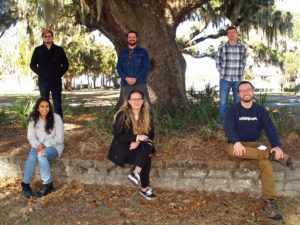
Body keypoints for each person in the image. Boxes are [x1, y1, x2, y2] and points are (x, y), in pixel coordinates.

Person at [225, 81, 292, 220]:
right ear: (238, 94)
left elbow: (270, 129)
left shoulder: (260, 110)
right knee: (231, 149)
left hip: (254, 147)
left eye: (248, 89)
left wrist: (277, 146)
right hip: (238, 147)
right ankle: (271, 155)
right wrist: (237, 142)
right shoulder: (233, 110)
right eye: (242, 90)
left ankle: (269, 203)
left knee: (265, 164)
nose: (246, 92)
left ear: (253, 92)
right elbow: (229, 129)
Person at [107, 90, 156, 200]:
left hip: (138, 147)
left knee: (148, 144)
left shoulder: (147, 114)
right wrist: (136, 137)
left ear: (143, 101)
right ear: (129, 101)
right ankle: (144, 188)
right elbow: (118, 137)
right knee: (147, 155)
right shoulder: (122, 114)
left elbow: (151, 134)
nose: (136, 101)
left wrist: (138, 140)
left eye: (139, 99)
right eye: (133, 99)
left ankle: (136, 173)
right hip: (123, 149)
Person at [21, 97, 64, 198]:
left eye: (47, 106)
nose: (45, 109)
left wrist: (44, 146)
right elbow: (31, 138)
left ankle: (47, 184)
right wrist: (38, 146)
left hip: (54, 146)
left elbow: (60, 139)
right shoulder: (33, 120)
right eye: (42, 106)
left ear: (50, 107)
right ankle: (25, 184)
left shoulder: (56, 118)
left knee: (41, 155)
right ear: (38, 108)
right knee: (32, 156)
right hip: (38, 146)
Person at [30, 30, 69, 119]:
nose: (47, 38)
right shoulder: (38, 50)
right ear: (43, 38)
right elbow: (32, 65)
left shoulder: (59, 49)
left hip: (56, 81)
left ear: (52, 37)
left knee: (57, 104)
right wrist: (41, 73)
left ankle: (59, 125)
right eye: (45, 36)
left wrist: (59, 74)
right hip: (43, 81)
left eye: (49, 36)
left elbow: (66, 64)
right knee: (44, 104)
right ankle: (45, 123)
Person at [216, 26, 247, 124]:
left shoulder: (243, 48)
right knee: (223, 103)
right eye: (229, 33)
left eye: (233, 32)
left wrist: (240, 72)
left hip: (238, 79)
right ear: (227, 35)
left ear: (237, 34)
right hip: (225, 79)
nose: (231, 35)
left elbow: (244, 62)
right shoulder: (222, 47)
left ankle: (238, 124)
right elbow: (218, 62)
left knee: (238, 103)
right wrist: (222, 72)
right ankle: (221, 124)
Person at [117, 31, 151, 106]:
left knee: (146, 105)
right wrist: (126, 78)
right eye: (130, 37)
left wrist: (136, 77)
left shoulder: (143, 52)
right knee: (127, 106)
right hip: (126, 85)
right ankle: (129, 118)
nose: (132, 39)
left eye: (133, 37)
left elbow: (146, 67)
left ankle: (150, 118)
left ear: (137, 39)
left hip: (140, 83)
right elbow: (119, 68)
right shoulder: (122, 53)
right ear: (127, 39)